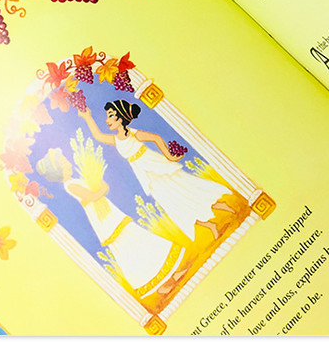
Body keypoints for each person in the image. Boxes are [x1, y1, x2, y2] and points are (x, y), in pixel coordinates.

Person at [36, 147, 186, 297]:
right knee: (131, 246)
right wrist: (103, 187)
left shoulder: (74, 181)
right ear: (58, 170)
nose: (67, 162)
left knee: (137, 240)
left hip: (108, 213)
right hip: (105, 219)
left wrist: (98, 183)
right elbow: (93, 197)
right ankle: (160, 284)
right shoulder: (70, 185)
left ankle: (171, 275)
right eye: (62, 162)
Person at [77, 100, 234, 241]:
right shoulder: (116, 139)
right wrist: (87, 117)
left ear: (120, 117)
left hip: (157, 167)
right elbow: (98, 136)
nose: (107, 120)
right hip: (147, 176)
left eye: (110, 115)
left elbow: (156, 138)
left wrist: (170, 156)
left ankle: (222, 206)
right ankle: (211, 226)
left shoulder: (133, 134)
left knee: (186, 188)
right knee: (173, 203)